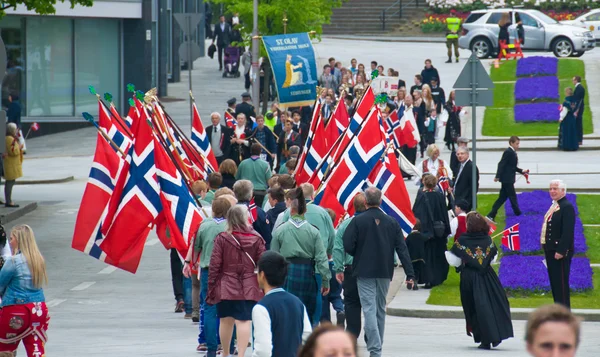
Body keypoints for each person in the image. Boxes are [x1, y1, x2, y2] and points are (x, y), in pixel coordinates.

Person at [343, 187, 415, 357]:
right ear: (381, 201)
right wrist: (410, 274)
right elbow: (402, 249)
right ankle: (377, 346)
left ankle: (375, 349)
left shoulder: (358, 221)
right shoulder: (391, 222)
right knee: (380, 309)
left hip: (364, 270)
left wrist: (357, 253)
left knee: (369, 308)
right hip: (384, 270)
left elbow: (347, 244)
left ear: (366, 202)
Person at [207, 205, 266, 357]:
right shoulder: (257, 238)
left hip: (226, 283)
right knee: (244, 320)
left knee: (226, 320)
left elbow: (215, 265)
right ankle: (241, 354)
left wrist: (211, 286)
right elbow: (262, 264)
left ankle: (225, 353)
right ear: (245, 218)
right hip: (249, 284)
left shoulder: (222, 238)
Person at [449, 212, 514, 350]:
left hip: (469, 277)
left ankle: (484, 338)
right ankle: (494, 335)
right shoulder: (488, 240)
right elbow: (493, 258)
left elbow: (454, 260)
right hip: (488, 277)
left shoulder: (463, 240)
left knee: (475, 307)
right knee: (491, 305)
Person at [271, 188, 331, 327]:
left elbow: (273, 257)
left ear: (291, 211)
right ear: (304, 211)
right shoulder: (314, 231)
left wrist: (273, 281)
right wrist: (325, 280)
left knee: (289, 308)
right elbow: (321, 259)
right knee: (308, 309)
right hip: (308, 273)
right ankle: (306, 339)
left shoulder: (280, 230)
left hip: (287, 273)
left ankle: (291, 337)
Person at [185, 196, 233, 354]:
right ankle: (229, 346)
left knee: (210, 309)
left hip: (209, 270)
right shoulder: (232, 226)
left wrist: (191, 262)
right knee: (229, 309)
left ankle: (211, 347)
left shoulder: (204, 225)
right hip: (228, 271)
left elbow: (196, 247)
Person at [0, 225, 49, 356]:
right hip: (38, 309)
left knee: (5, 348)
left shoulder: (13, 261)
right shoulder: (38, 260)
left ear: (19, 240)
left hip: (16, 309)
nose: (9, 242)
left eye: (11, 238)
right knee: (36, 347)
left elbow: (0, 285)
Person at [252, 251, 312, 357]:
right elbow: (307, 338)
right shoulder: (298, 303)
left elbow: (263, 350)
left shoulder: (261, 307)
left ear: (262, 275)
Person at [333, 193, 366, 339]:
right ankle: (370, 333)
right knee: (370, 303)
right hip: (370, 269)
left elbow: (338, 248)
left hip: (350, 269)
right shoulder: (374, 223)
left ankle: (352, 335)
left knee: (352, 303)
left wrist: (338, 268)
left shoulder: (345, 225)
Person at [541, 179, 575, 308]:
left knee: (561, 284)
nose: (552, 191)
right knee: (555, 283)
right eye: (550, 188)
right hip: (550, 250)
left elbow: (567, 231)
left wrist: (561, 251)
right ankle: (558, 310)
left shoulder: (566, 207)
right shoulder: (555, 205)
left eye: (555, 188)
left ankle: (564, 313)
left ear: (563, 191)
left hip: (559, 252)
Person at [412, 174, 450, 288]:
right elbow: (444, 214)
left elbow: (415, 214)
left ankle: (427, 278)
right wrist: (446, 230)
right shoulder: (439, 196)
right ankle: (436, 278)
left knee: (426, 257)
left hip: (426, 232)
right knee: (437, 256)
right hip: (438, 232)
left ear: (424, 182)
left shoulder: (421, 196)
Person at [487, 136, 529, 222]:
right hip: (507, 180)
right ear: (511, 143)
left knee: (502, 198)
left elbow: (512, 166)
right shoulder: (508, 152)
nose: (518, 146)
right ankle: (518, 213)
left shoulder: (511, 152)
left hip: (507, 179)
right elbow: (501, 164)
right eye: (517, 144)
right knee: (512, 196)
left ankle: (491, 215)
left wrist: (522, 171)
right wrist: (497, 176)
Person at [233, 180, 272, 249]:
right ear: (251, 193)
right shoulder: (259, 212)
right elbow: (267, 238)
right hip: (254, 251)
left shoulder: (229, 211)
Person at [449, 147, 479, 211]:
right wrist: (453, 187)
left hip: (465, 202)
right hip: (457, 200)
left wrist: (468, 202)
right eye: (458, 154)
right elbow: (457, 180)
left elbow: (474, 187)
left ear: (467, 154)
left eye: (462, 154)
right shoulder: (460, 165)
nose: (460, 156)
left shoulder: (471, 167)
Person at [4, 123, 23, 208]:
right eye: (15, 129)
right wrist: (19, 147)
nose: (16, 131)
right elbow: (13, 151)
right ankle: (8, 201)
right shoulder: (9, 139)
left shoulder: (11, 138)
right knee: (10, 182)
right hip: (10, 164)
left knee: (11, 182)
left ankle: (9, 200)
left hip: (12, 164)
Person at [405, 218, 428, 287]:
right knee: (417, 270)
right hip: (420, 256)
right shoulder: (422, 236)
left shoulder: (409, 236)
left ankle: (410, 280)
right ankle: (416, 281)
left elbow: (405, 245)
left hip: (411, 256)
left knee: (411, 270)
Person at [572, 76, 585, 145]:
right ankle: (578, 139)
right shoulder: (579, 88)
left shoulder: (579, 88)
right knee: (577, 123)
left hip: (579, 108)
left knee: (578, 123)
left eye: (573, 80)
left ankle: (579, 139)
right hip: (579, 108)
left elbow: (578, 99)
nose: (572, 81)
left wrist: (575, 108)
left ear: (576, 80)